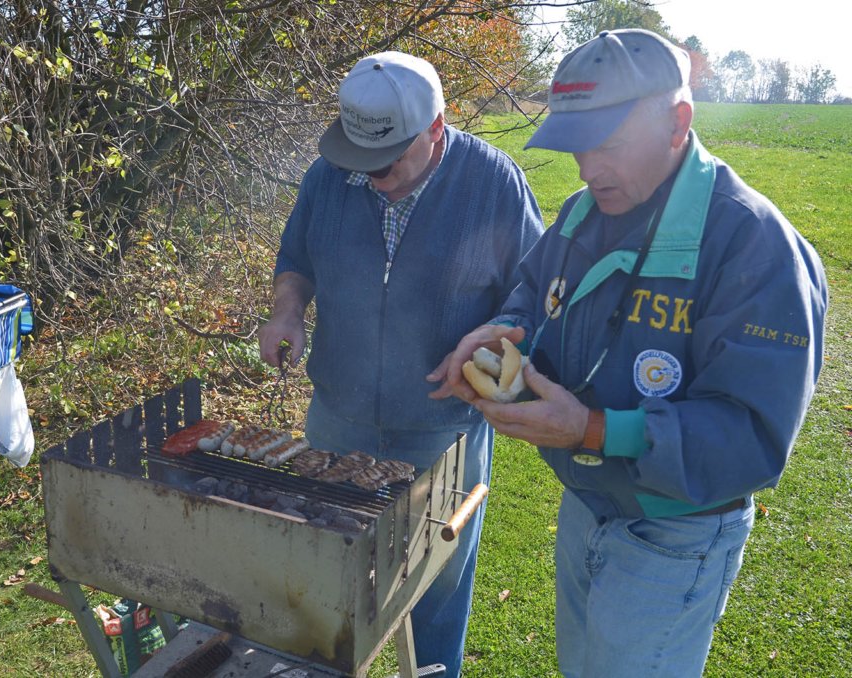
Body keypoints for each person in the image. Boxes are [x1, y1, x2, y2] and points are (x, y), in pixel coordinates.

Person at [428, 29, 827, 677]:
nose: (586, 170)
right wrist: (504, 330)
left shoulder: (754, 247)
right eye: (576, 146)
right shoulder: (585, 212)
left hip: (674, 536)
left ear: (677, 123)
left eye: (607, 144)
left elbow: (751, 435)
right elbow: (535, 292)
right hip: (588, 507)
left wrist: (588, 428)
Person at [257, 51, 544, 675]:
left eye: (385, 164)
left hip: (442, 433)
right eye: (360, 163)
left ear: (435, 130)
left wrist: (494, 350)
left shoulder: (495, 185)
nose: (371, 178)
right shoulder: (330, 175)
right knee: (324, 584)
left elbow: (535, 299)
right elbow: (296, 257)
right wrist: (285, 312)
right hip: (337, 420)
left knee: (432, 598)